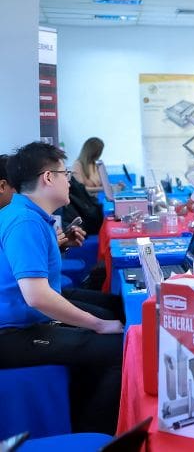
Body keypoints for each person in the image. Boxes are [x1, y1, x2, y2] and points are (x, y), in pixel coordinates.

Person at [0, 142, 124, 435]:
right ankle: (95, 433)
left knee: (110, 320)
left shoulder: (28, 214)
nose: (69, 181)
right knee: (120, 349)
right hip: (11, 335)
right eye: (64, 174)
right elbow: (36, 296)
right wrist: (97, 324)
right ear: (48, 178)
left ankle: (84, 415)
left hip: (25, 323)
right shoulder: (24, 221)